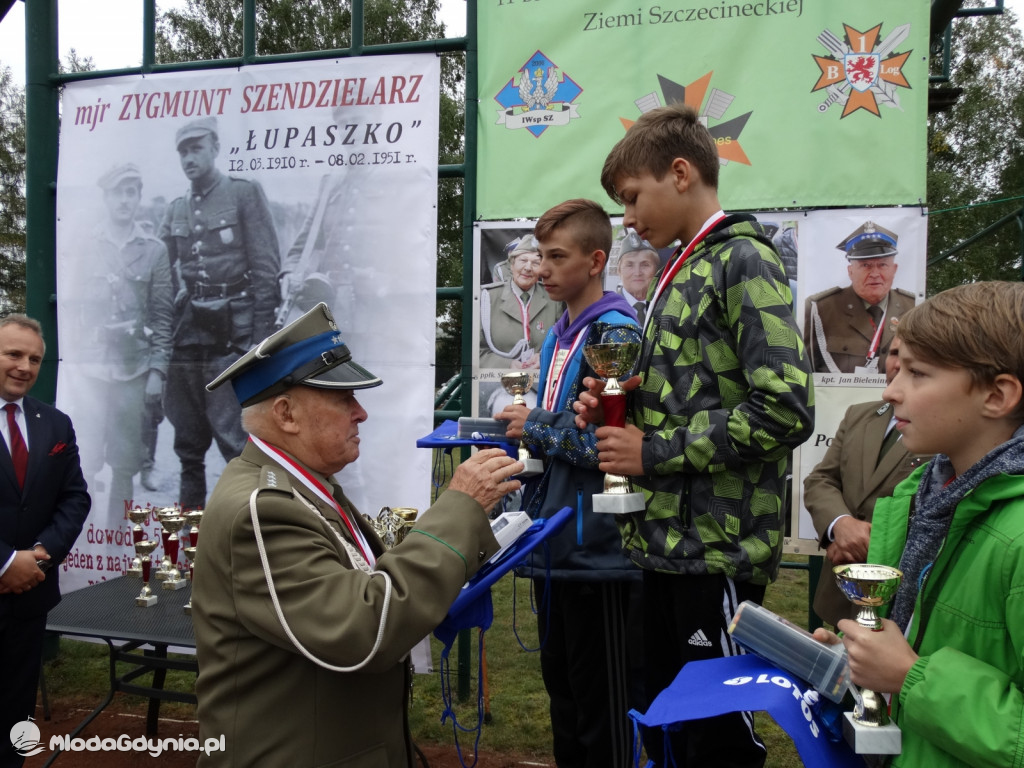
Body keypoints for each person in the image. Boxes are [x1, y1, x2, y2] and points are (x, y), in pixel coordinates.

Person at [575, 103, 815, 767]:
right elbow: (688, 393)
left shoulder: (743, 260)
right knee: (666, 730)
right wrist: (616, 406)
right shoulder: (677, 271)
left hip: (718, 554)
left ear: (679, 173)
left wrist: (651, 452)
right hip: (662, 547)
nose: (626, 217)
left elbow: (786, 408)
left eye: (630, 197)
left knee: (716, 741)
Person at [193, 302, 522, 767]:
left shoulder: (302, 487)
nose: (361, 412)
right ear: (286, 413)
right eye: (343, 397)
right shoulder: (261, 511)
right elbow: (362, 631)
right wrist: (460, 505)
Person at [813, 281, 1024, 768]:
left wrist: (909, 675)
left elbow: (913, 669)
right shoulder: (923, 499)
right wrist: (861, 659)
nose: (891, 388)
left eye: (918, 373)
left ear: (998, 395)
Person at [494, 199, 641, 768]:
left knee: (603, 707)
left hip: (600, 548)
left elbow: (609, 447)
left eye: (558, 257)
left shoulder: (615, 330)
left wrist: (535, 424)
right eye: (540, 256)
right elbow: (565, 431)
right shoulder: (560, 331)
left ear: (596, 260)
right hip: (557, 538)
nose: (545, 268)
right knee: (565, 700)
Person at [159, 117, 282, 510]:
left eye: (196, 148)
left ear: (214, 147)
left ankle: (251, 536)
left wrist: (260, 343)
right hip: (190, 334)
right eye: (182, 151)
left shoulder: (243, 194)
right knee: (188, 444)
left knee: (236, 442)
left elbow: (266, 270)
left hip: (235, 332)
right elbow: (166, 275)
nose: (189, 157)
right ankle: (188, 541)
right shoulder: (175, 209)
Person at [0, 315, 90, 768]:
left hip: (29, 599)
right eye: (13, 354)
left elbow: (75, 498)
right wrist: (3, 564)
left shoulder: (54, 424)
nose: (25, 366)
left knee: (14, 717)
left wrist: (37, 558)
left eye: (34, 358)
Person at [68, 163, 173, 512]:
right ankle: (84, 545)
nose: (125, 200)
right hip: (91, 370)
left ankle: (117, 543)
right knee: (86, 461)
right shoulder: (86, 246)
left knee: (126, 464)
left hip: (133, 371)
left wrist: (157, 371)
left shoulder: (155, 250)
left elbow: (162, 315)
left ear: (139, 198)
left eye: (132, 192)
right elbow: (71, 308)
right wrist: (72, 365)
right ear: (107, 197)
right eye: (118, 192)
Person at [803, 337, 929, 627]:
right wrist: (841, 525)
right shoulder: (859, 414)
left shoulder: (944, 426)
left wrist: (860, 546)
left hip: (900, 600)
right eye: (895, 353)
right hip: (840, 593)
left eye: (915, 357)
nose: (899, 364)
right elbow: (822, 478)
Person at [804, 220, 915, 375]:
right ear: (850, 271)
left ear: (894, 269)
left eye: (883, 265)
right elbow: (807, 369)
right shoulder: (821, 309)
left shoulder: (914, 307)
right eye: (866, 266)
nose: (875, 274)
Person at [479, 234, 561, 370]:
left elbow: (563, 342)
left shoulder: (553, 299)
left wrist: (544, 357)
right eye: (523, 260)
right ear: (511, 265)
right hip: (497, 384)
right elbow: (478, 351)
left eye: (536, 263)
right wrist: (508, 365)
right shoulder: (488, 298)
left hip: (540, 382)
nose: (528, 268)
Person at [613, 229, 659, 326]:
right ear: (619, 270)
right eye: (629, 265)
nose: (637, 273)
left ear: (656, 270)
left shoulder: (666, 307)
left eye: (645, 265)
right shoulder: (609, 309)